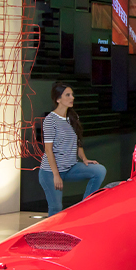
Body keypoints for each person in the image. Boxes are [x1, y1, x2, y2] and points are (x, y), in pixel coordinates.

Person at [39, 82, 107, 215]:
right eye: (68, 95)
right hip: (50, 172)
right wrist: (56, 175)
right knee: (56, 208)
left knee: (99, 170)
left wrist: (84, 158)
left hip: (70, 168)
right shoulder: (50, 120)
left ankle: (84, 207)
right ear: (58, 99)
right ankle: (52, 235)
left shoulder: (73, 117)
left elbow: (78, 142)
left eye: (72, 95)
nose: (72, 98)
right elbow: (48, 150)